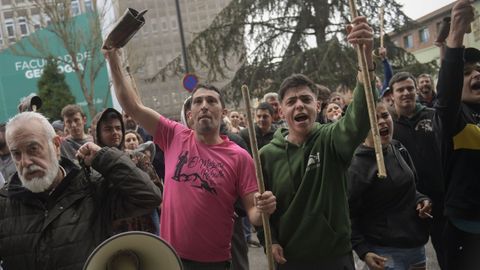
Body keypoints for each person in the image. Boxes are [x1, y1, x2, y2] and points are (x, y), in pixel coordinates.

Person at [104, 48, 276, 269]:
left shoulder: (239, 157)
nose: (204, 105)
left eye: (211, 101)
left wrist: (263, 209)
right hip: (168, 258)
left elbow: (253, 213)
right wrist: (114, 62)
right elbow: (132, 107)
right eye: (198, 101)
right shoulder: (174, 135)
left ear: (222, 112)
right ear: (190, 113)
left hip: (214, 262)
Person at [259, 16, 376, 269]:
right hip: (290, 261)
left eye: (305, 99)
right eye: (291, 102)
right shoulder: (266, 155)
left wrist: (365, 59)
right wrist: (271, 241)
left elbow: (360, 115)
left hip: (336, 258)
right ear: (281, 111)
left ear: (318, 105)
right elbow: (263, 210)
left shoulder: (332, 139)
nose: (299, 105)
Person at [0, 112, 162, 269]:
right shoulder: (5, 202)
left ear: (56, 145)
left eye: (33, 149)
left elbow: (148, 197)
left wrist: (103, 158)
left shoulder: (91, 186)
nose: (25, 162)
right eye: (16, 154)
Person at [348, 102, 432, 270]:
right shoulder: (355, 165)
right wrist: (363, 250)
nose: (381, 122)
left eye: (385, 115)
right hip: (383, 253)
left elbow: (411, 189)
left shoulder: (397, 147)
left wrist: (422, 200)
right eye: (374, 118)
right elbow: (348, 214)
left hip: (415, 247)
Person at [433, 1, 479, 269]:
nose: (476, 74)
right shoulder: (453, 117)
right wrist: (456, 36)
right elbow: (447, 93)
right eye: (466, 72)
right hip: (465, 235)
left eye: (479, 70)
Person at [388, 71, 447, 268]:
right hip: (407, 202)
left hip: (440, 198)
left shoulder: (433, 116)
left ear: (416, 91)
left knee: (448, 254)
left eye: (410, 88)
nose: (406, 93)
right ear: (392, 94)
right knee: (412, 260)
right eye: (400, 90)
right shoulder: (387, 126)